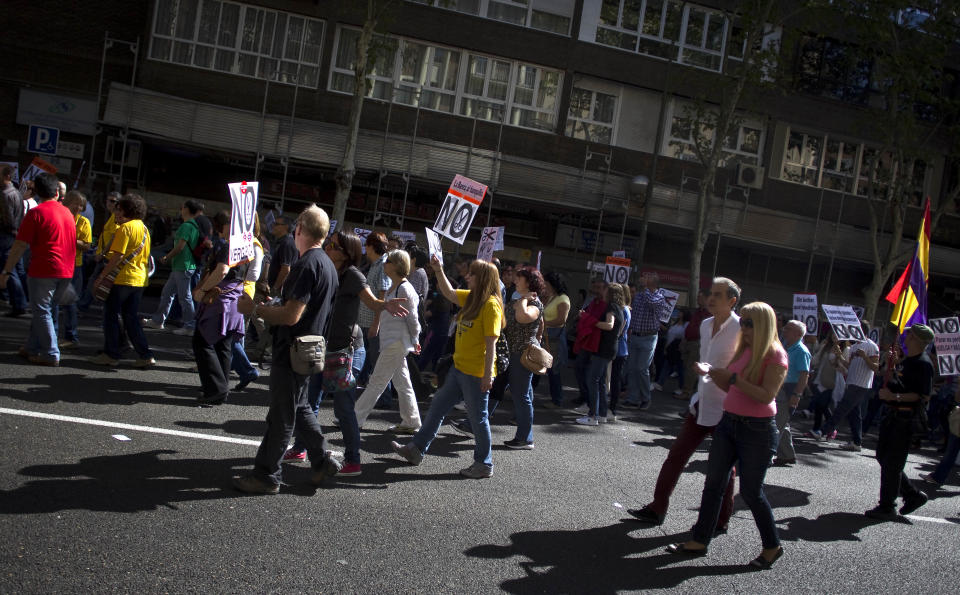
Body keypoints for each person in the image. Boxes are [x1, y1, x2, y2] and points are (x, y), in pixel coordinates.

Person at [667, 301, 787, 570]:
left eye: (749, 323)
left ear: (765, 325)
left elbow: (766, 396)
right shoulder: (744, 350)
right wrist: (713, 372)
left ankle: (772, 545)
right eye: (742, 322)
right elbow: (727, 383)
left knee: (752, 492)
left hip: (757, 430)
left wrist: (733, 381)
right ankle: (700, 539)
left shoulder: (775, 355)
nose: (743, 327)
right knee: (713, 484)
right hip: (729, 423)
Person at [232, 205, 342, 494]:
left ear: (300, 230)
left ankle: (266, 475)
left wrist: (254, 308)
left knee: (282, 417)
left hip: (292, 350)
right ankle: (322, 459)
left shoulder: (306, 265)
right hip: (309, 349)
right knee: (300, 407)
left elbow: (292, 315)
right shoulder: (328, 265)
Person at [282, 230, 408, 474]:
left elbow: (372, 302)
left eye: (334, 246)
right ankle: (300, 448)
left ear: (348, 253)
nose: (328, 248)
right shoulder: (326, 269)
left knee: (343, 407)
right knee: (308, 401)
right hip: (321, 346)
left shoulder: (352, 275)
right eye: (328, 243)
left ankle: (353, 459)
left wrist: (385, 306)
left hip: (346, 350)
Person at [628, 278, 741, 528]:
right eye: (711, 293)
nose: (711, 298)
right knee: (676, 456)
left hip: (728, 408)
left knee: (723, 467)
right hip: (700, 403)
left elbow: (740, 369)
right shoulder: (705, 323)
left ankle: (721, 519)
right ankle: (657, 508)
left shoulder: (741, 328)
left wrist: (713, 371)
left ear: (732, 301)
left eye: (718, 295)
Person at [391, 257, 503, 479]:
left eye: (472, 274)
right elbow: (449, 292)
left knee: (478, 419)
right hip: (459, 368)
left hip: (476, 373)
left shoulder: (490, 305)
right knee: (437, 408)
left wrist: (487, 376)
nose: (467, 276)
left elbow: (491, 343)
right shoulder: (472, 298)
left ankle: (484, 463)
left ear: (482, 279)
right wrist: (438, 270)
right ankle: (416, 450)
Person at [0, 172, 76, 366]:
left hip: (44, 268)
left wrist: (6, 271)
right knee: (46, 310)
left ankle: (51, 353)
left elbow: (19, 245)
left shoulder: (37, 213)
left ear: (37, 192)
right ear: (57, 193)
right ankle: (32, 347)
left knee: (42, 310)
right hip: (65, 270)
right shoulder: (67, 212)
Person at [865, 324, 935, 520]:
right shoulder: (906, 361)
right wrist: (893, 367)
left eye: (910, 335)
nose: (906, 337)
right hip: (892, 416)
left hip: (905, 419)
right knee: (883, 457)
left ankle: (887, 506)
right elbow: (901, 382)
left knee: (892, 463)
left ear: (918, 340)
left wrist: (894, 396)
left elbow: (922, 395)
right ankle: (912, 494)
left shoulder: (923, 363)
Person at [354, 249, 423, 433]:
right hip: (393, 341)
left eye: (388, 261)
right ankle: (412, 421)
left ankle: (355, 418)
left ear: (397, 265)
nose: (384, 264)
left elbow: (413, 319)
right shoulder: (396, 286)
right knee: (402, 383)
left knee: (377, 381)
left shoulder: (405, 288)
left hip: (396, 342)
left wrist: (415, 339)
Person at [188, 212, 248, 406]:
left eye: (228, 222)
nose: (223, 225)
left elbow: (222, 270)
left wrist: (203, 289)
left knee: (202, 341)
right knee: (223, 344)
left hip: (220, 299)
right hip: (233, 299)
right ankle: (219, 388)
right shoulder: (244, 246)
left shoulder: (230, 246)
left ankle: (216, 389)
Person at [89, 193, 156, 368]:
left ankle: (111, 354)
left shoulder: (124, 228)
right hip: (139, 279)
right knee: (131, 318)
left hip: (122, 279)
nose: (117, 212)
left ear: (127, 209)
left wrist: (101, 277)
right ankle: (145, 354)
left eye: (120, 208)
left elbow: (117, 257)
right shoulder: (144, 229)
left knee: (110, 315)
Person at [818, 322, 880, 452]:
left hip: (861, 384)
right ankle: (857, 442)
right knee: (854, 413)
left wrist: (865, 357)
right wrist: (840, 356)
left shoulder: (872, 346)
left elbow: (875, 367)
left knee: (842, 407)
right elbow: (849, 365)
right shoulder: (853, 347)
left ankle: (823, 431)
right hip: (852, 382)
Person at [144, 200, 203, 334]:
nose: (180, 209)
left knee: (184, 296)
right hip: (182, 265)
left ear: (187, 209)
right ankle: (158, 320)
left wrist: (167, 257)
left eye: (182, 207)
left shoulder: (186, 226)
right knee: (168, 293)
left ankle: (189, 326)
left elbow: (180, 246)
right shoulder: (193, 226)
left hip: (182, 265)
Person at [577, 283, 625, 426]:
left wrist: (590, 320)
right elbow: (619, 328)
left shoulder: (611, 307)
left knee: (593, 380)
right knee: (601, 382)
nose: (602, 291)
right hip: (610, 348)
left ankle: (593, 415)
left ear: (609, 292)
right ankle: (602, 413)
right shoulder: (619, 308)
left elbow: (609, 325)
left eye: (605, 289)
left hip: (604, 349)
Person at [623, 272, 669, 410]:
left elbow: (651, 303)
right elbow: (634, 314)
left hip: (648, 338)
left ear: (652, 283)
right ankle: (633, 398)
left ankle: (645, 398)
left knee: (642, 369)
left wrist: (645, 288)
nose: (642, 279)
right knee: (632, 368)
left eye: (646, 278)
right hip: (635, 336)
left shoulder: (659, 297)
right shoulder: (640, 296)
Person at [231, 213, 265, 391]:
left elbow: (254, 275)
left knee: (231, 334)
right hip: (234, 290)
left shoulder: (254, 245)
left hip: (243, 291)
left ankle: (245, 369)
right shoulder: (239, 241)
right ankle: (235, 366)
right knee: (235, 333)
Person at [773, 319, 811, 465]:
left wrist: (797, 395)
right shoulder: (787, 346)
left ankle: (767, 454)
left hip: (790, 389)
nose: (784, 330)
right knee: (783, 423)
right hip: (782, 387)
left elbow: (804, 375)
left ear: (796, 333)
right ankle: (787, 454)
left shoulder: (801, 350)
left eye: (787, 329)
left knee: (777, 424)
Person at [57, 191, 92, 348]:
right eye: (75, 203)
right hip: (57, 262)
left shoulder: (83, 222)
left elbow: (86, 245)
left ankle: (71, 337)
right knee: (54, 301)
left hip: (74, 266)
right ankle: (53, 334)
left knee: (70, 301)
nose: (78, 207)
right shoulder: (60, 215)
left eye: (81, 205)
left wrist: (72, 238)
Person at [1, 164, 28, 317]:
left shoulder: (5, 194)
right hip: (15, 234)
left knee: (9, 269)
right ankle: (20, 302)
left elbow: (8, 218)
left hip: (7, 235)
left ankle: (19, 303)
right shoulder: (17, 193)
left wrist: (10, 228)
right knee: (16, 268)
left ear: (7, 176)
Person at [541, 271, 570, 408]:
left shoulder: (563, 299)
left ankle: (557, 400)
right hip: (547, 336)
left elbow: (561, 320)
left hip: (555, 337)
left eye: (546, 283)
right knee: (543, 365)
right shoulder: (552, 297)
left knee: (554, 369)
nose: (544, 286)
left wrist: (544, 323)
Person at [681, 289, 711, 399]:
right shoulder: (697, 311)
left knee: (691, 368)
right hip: (689, 341)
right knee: (687, 366)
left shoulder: (708, 313)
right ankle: (686, 389)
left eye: (700, 297)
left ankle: (687, 392)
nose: (698, 298)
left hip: (697, 343)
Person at [608, 283, 631, 421]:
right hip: (619, 348)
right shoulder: (622, 309)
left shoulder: (624, 310)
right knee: (612, 378)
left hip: (620, 349)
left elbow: (620, 332)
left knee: (615, 379)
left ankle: (613, 408)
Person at [653, 310, 687, 397]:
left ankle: (681, 387)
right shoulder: (674, 323)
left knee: (680, 368)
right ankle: (660, 383)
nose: (679, 314)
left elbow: (684, 336)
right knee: (667, 365)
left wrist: (682, 346)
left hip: (677, 348)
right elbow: (669, 333)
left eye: (681, 312)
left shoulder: (686, 324)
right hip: (670, 347)